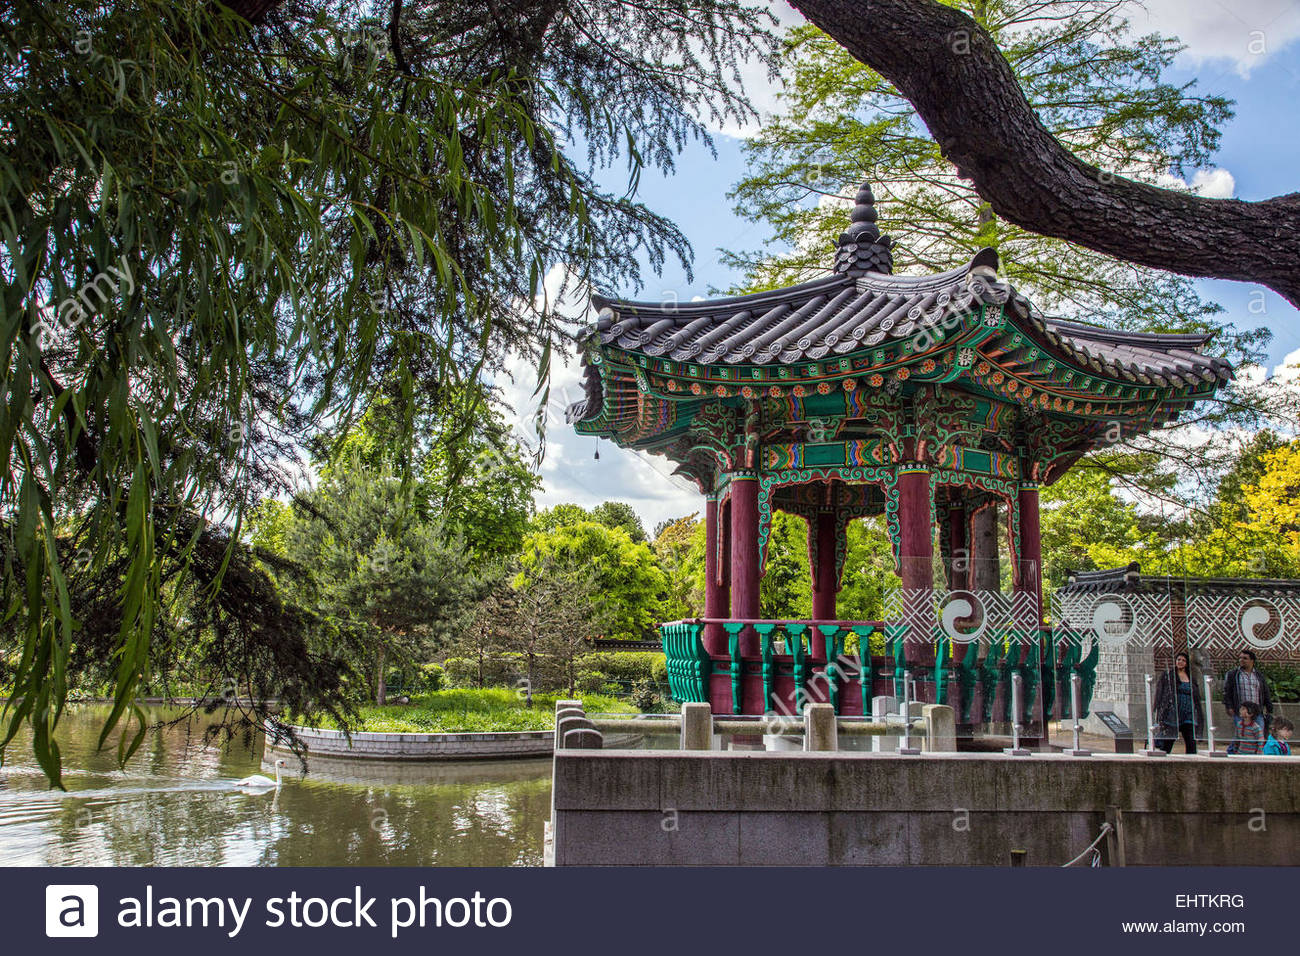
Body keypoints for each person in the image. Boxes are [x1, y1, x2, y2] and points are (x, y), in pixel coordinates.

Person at [1153, 651, 1202, 754]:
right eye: (1178, 660)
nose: (1180, 662)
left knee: (1190, 741)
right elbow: (1160, 692)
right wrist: (1158, 708)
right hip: (1173, 713)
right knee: (1169, 741)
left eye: (1183, 660)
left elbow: (1196, 695)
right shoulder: (1169, 675)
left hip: (1188, 713)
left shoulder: (1191, 678)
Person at [1222, 649, 1274, 741]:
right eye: (1240, 658)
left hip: (1257, 712)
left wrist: (1269, 708)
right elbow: (1227, 692)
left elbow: (1265, 692)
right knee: (1242, 736)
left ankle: (1258, 754)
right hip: (1240, 712)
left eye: (1245, 658)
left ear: (1252, 661)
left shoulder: (1258, 675)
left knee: (1259, 736)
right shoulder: (1233, 675)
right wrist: (1229, 707)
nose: (1241, 660)